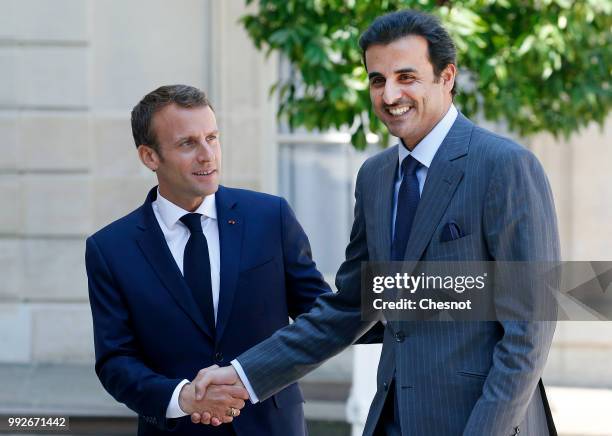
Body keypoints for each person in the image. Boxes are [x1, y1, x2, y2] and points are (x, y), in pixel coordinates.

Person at [191, 10, 560, 436]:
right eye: (377, 80)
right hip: (392, 419)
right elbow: (351, 305)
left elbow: (529, 331)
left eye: (407, 77)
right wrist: (244, 374)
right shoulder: (376, 177)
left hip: (480, 422)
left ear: (447, 77)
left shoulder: (505, 166)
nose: (389, 95)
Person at [85, 84, 330, 435]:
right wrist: (183, 397)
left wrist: (411, 295)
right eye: (188, 143)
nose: (207, 155)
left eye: (212, 138)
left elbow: (324, 315)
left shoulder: (269, 217)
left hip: (271, 426)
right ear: (150, 157)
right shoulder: (110, 249)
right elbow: (115, 361)